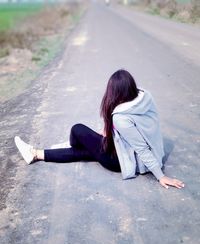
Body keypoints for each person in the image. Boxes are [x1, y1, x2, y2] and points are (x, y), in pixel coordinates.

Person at [14, 69, 184, 189]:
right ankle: (36, 154)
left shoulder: (121, 117)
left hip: (121, 160)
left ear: (114, 93)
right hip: (143, 152)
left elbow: (141, 147)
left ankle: (59, 148)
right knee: (86, 151)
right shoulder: (145, 96)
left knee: (77, 129)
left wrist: (161, 176)